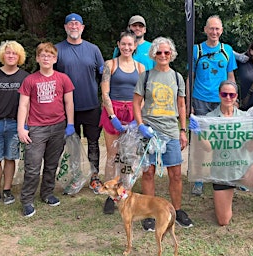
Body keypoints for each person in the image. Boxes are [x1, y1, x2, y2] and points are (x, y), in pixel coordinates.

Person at [189, 80, 253, 250]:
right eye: (224, 94)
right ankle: (222, 200)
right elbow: (208, 147)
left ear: (236, 97)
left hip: (244, 167)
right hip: (222, 170)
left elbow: (250, 148)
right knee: (223, 221)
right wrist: (198, 134)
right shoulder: (210, 119)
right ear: (219, 95)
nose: (228, 97)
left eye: (231, 94)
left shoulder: (245, 118)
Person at [132, 36, 193, 230]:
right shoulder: (146, 76)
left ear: (172, 54)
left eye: (167, 52)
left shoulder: (177, 77)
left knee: (175, 174)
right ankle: (149, 213)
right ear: (153, 54)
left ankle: (177, 210)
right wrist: (140, 125)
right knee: (148, 173)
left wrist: (183, 130)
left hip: (171, 131)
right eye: (159, 52)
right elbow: (136, 102)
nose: (163, 55)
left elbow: (182, 105)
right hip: (149, 131)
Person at [17, 42, 75, 217]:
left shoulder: (63, 78)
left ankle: (47, 193)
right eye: (42, 55)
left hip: (58, 127)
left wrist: (70, 124)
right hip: (37, 128)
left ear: (55, 59)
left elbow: (69, 102)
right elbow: (23, 105)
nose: (46, 58)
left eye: (49, 55)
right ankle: (27, 200)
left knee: (51, 165)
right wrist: (21, 127)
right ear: (37, 58)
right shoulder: (30, 80)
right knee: (33, 166)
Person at [55, 13, 105, 193]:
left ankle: (94, 177)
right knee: (71, 145)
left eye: (77, 24)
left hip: (91, 105)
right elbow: (50, 77)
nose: (74, 26)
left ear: (83, 27)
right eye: (70, 24)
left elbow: (102, 76)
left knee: (93, 142)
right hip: (66, 109)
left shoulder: (93, 49)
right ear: (65, 27)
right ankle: (75, 176)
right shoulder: (57, 50)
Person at [189, 15, 237, 196]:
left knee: (223, 140)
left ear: (222, 30)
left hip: (222, 100)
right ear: (205, 30)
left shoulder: (227, 50)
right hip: (200, 99)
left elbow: (230, 75)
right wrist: (189, 103)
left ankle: (222, 174)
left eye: (217, 29)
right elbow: (190, 77)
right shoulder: (196, 50)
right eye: (211, 28)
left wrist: (233, 98)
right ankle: (199, 179)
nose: (214, 32)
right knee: (201, 141)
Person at [100, 31, 145, 214]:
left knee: (129, 156)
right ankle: (110, 196)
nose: (127, 47)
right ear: (119, 45)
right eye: (123, 44)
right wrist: (113, 117)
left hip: (132, 112)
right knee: (113, 155)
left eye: (130, 44)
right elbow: (105, 93)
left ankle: (125, 192)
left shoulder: (140, 67)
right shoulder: (110, 64)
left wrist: (137, 117)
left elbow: (142, 95)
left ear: (135, 46)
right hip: (114, 111)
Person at [0, 40, 29, 209]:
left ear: (19, 57)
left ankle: (7, 189)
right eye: (8, 52)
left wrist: (25, 125)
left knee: (10, 158)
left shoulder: (25, 77)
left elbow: (28, 104)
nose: (11, 56)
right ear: (3, 55)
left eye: (14, 53)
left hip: (16, 125)